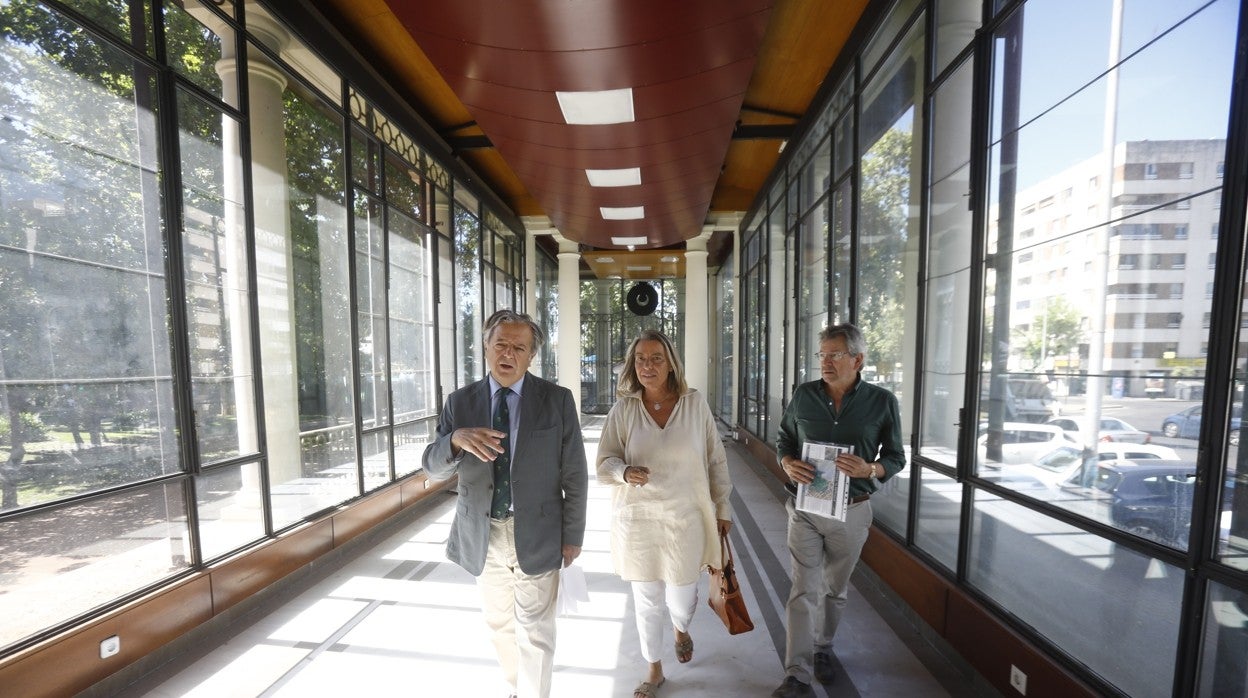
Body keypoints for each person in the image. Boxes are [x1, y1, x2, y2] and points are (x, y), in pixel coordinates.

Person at [424, 309, 588, 698]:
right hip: (484, 532)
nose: (508, 353)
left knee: (536, 629)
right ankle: (517, 687)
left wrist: (574, 535)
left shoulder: (557, 400)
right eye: (501, 344)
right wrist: (454, 440)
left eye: (519, 347)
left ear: (531, 355)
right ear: (485, 347)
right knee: (499, 624)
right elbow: (433, 467)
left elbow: (575, 475)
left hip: (539, 530)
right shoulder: (459, 403)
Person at [770, 323, 906, 698]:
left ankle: (823, 647)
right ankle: (796, 673)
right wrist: (786, 461)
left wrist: (871, 469)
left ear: (858, 359)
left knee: (835, 589)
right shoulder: (804, 395)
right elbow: (784, 436)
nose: (826, 362)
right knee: (803, 587)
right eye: (822, 355)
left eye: (835, 355)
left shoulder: (882, 402)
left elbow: (896, 457)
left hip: (853, 510)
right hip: (806, 508)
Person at [596, 329, 733, 698]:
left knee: (681, 599)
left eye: (656, 358)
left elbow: (715, 458)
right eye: (640, 359)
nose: (647, 365)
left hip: (686, 518)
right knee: (646, 601)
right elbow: (604, 461)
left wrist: (723, 506)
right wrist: (623, 472)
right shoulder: (624, 409)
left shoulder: (693, 403)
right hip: (638, 520)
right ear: (632, 365)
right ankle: (653, 669)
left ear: (671, 364)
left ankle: (681, 627)